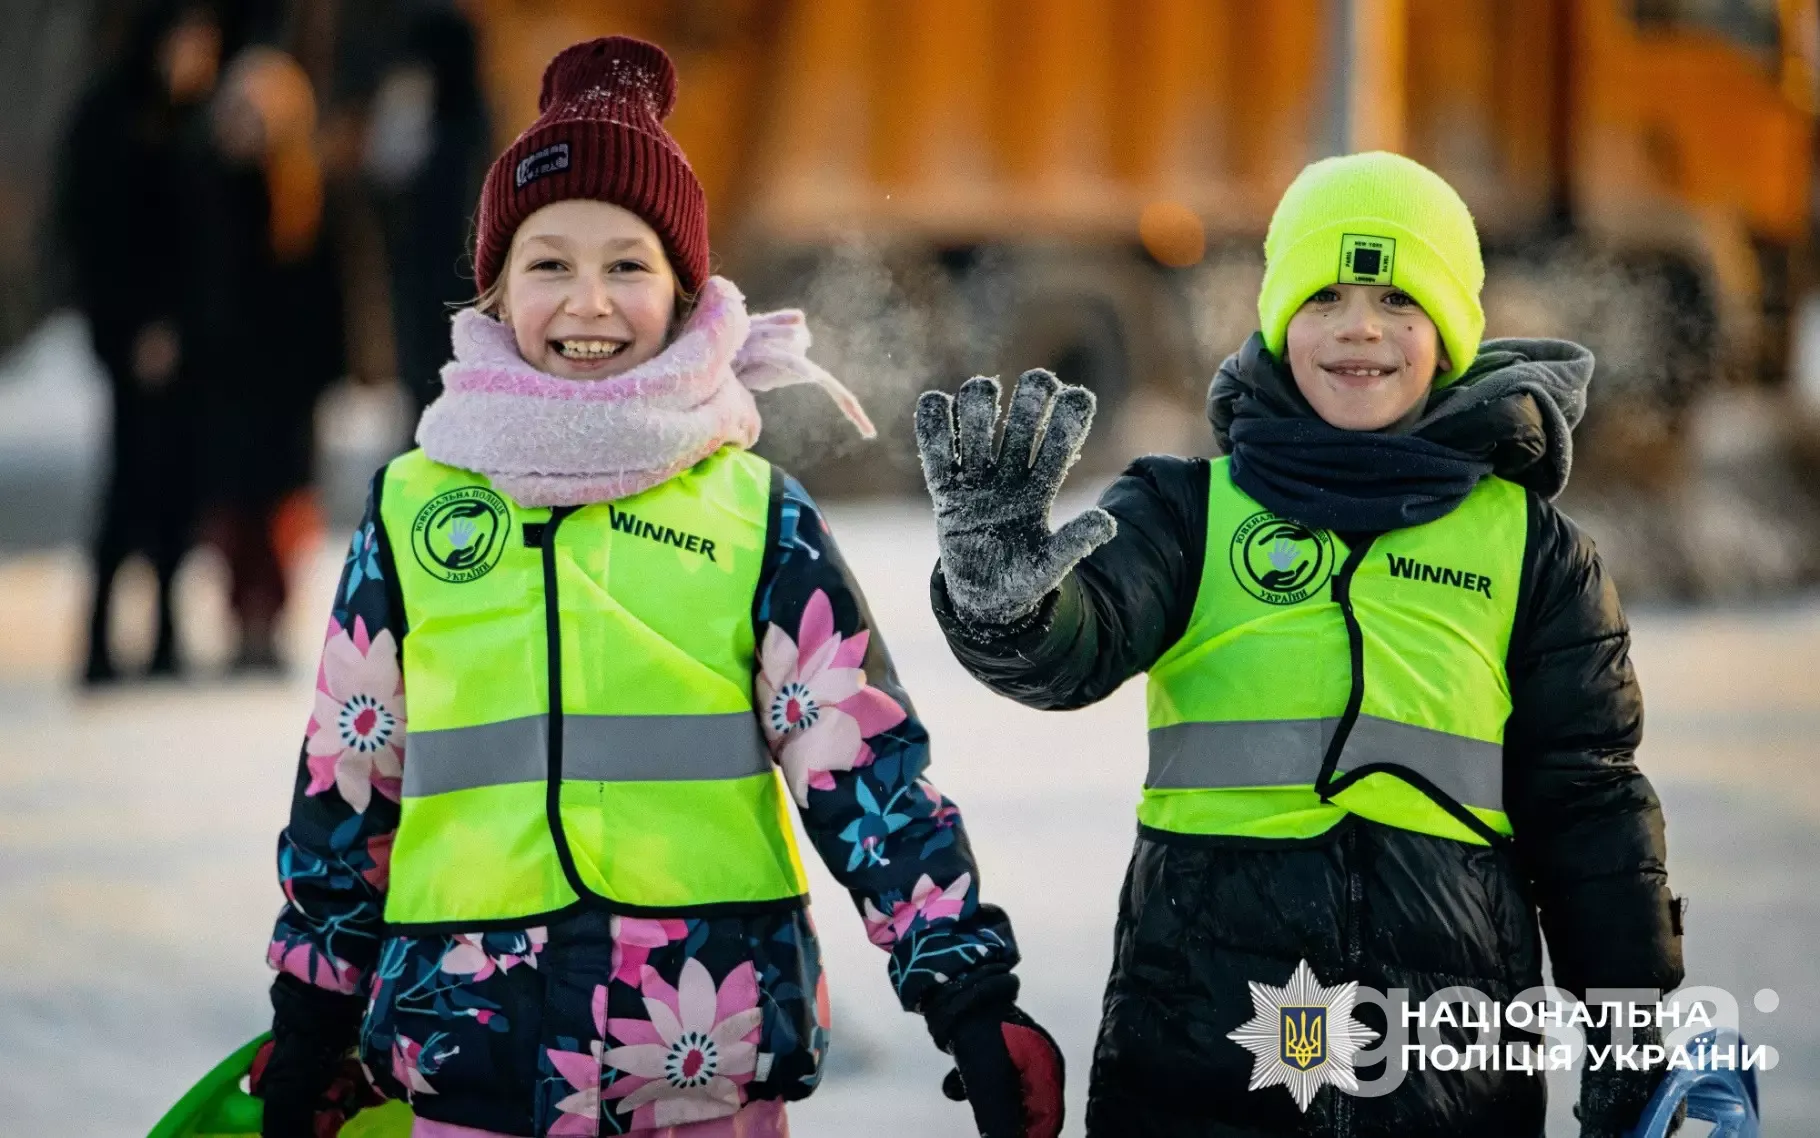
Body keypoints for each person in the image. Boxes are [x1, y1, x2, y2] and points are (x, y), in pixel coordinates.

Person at [251, 37, 1063, 1138]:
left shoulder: (752, 512)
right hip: (473, 1055)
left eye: (626, 264)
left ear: (684, 289)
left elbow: (865, 768)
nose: (588, 302)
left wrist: (969, 993)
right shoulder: (415, 510)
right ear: (495, 288)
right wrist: (313, 1015)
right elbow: (348, 777)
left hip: (699, 1060)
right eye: (548, 264)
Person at [916, 152, 1685, 1137]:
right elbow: (1073, 644)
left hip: (1444, 1077)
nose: (1359, 325)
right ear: (1279, 322)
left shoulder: (1531, 552)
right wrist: (1002, 606)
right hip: (1197, 1056)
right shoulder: (1185, 512)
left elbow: (1588, 804)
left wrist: (1632, 1030)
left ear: (1448, 334)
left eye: (1398, 298)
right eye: (1323, 294)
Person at [58, 0, 223, 684]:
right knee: (130, 487)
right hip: (134, 339)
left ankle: (163, 635)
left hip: (186, 341)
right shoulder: (112, 120)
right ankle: (99, 639)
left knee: (177, 492)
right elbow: (98, 238)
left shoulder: (189, 120)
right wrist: (137, 328)